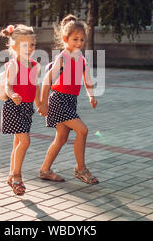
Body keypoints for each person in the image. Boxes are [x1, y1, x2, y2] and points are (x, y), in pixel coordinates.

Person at [38, 15, 99, 185]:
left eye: (82, 40)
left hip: (71, 101)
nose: (79, 43)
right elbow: (47, 80)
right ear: (65, 39)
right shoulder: (62, 58)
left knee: (61, 139)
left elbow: (87, 80)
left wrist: (91, 96)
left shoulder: (82, 60)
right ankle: (81, 169)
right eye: (75, 39)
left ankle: (45, 170)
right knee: (83, 130)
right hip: (59, 100)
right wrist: (43, 102)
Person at [0, 24, 41, 195]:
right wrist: (12, 94)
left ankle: (11, 175)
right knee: (25, 142)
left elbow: (35, 87)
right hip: (14, 107)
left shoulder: (34, 65)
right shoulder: (14, 65)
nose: (30, 48)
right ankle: (17, 176)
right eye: (25, 45)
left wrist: (40, 105)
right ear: (15, 47)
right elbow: (7, 86)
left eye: (32, 45)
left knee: (17, 143)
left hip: (27, 108)